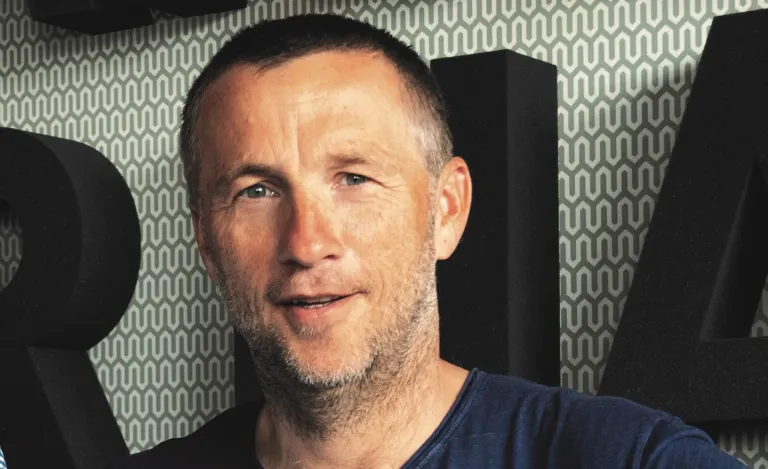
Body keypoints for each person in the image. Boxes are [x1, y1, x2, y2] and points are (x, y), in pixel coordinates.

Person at [109, 14, 745, 469]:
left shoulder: (632, 458)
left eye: (354, 178)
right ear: (206, 244)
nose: (307, 243)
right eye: (256, 191)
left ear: (447, 209)